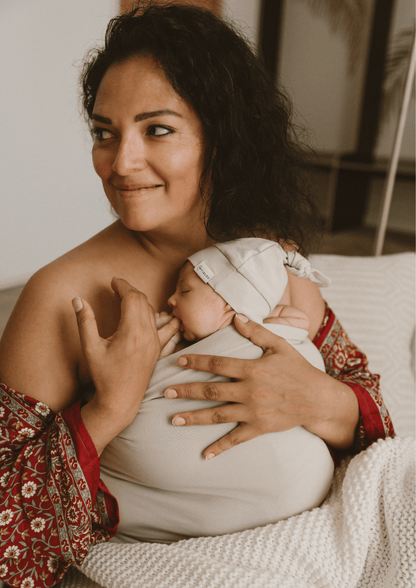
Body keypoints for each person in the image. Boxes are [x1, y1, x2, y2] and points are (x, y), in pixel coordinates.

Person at [0, 2, 394, 586]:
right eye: (104, 133)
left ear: (222, 136)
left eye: (157, 129)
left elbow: (373, 412)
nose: (120, 162)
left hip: (317, 549)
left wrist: (319, 401)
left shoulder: (259, 251)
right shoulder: (62, 296)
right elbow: (6, 533)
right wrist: (108, 410)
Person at [99, 238, 335, 543]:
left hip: (301, 508)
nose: (170, 300)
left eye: (184, 290)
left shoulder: (273, 338)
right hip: (282, 511)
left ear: (229, 302)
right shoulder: (183, 346)